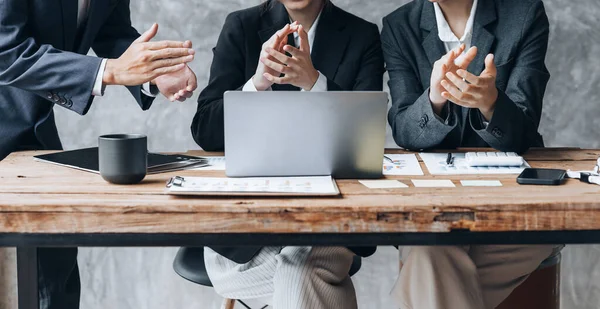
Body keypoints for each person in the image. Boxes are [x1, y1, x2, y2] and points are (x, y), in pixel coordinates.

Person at [0, 1, 198, 308]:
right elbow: (5, 53)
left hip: (30, 129)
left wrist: (154, 72)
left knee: (55, 257)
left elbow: (111, 31)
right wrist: (111, 70)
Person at [190, 0, 384, 307]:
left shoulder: (363, 35)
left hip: (328, 222)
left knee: (303, 272)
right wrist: (257, 84)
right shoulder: (241, 26)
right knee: (305, 276)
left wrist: (315, 83)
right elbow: (204, 130)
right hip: (245, 228)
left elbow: (366, 139)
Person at [381, 0, 559, 308]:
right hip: (433, 210)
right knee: (432, 249)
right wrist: (434, 99)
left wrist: (490, 103)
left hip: (514, 213)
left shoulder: (525, 13)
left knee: (429, 255)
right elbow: (405, 130)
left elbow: (525, 129)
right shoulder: (400, 25)